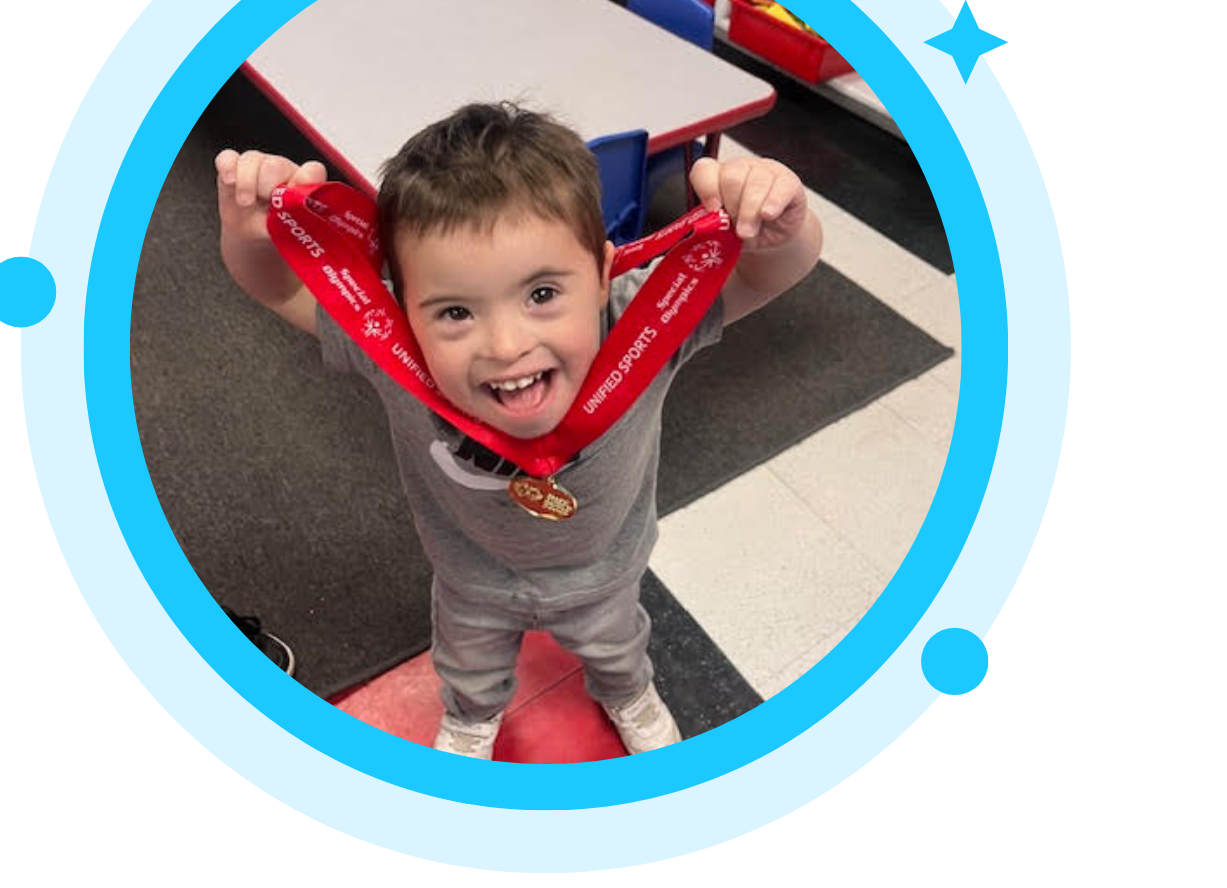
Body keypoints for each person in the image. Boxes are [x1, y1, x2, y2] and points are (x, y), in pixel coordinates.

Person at [215, 102, 822, 759]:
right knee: (469, 666)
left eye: (540, 295)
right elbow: (281, 291)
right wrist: (249, 233)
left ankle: (627, 694)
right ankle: (474, 716)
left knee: (619, 648)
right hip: (470, 579)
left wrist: (784, 229)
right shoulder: (395, 345)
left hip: (608, 572)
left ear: (600, 274)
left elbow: (769, 274)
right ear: (404, 305)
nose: (505, 345)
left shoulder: (643, 319)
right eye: (454, 311)